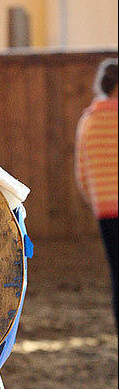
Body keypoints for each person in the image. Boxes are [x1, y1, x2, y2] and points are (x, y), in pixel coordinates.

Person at [74, 57, 118, 328]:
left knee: (116, 270)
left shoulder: (88, 121)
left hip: (105, 210)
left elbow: (82, 172)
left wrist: (96, 201)